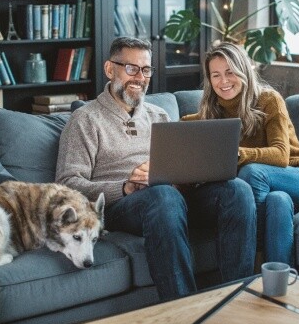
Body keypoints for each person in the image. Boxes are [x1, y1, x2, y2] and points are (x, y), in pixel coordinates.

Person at [55, 37, 256, 300]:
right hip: (122, 206)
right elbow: (67, 183)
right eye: (131, 68)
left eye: (146, 70)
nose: (140, 77)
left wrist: (187, 177)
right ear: (109, 69)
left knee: (237, 190)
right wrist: (125, 187)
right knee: (163, 196)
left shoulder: (159, 115)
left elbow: (178, 169)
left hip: (170, 197)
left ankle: (237, 300)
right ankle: (184, 309)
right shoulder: (85, 119)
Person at [182, 42, 299, 265]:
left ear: (243, 70)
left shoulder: (269, 100)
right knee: (277, 201)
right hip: (275, 191)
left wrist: (239, 154)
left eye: (230, 72)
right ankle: (276, 285)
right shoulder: (210, 115)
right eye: (216, 75)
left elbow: (281, 155)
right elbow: (187, 129)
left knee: (253, 173)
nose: (223, 81)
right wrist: (184, 132)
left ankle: (254, 261)